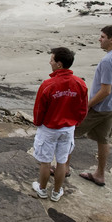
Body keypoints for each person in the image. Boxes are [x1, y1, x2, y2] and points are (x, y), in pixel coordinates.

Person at [72, 25, 112, 187]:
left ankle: (63, 168)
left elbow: (105, 90)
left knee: (69, 132)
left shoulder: (108, 61)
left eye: (103, 37)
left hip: (100, 108)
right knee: (103, 140)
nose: (99, 39)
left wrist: (87, 106)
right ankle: (100, 174)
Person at [31, 47, 88, 202]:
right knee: (62, 161)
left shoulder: (48, 85)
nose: (50, 62)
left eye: (52, 60)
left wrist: (37, 123)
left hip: (49, 128)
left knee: (45, 161)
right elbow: (83, 108)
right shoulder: (80, 84)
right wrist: (76, 123)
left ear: (59, 64)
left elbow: (39, 109)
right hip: (67, 128)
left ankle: (42, 189)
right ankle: (56, 192)